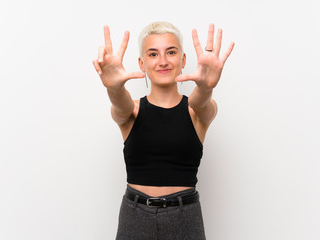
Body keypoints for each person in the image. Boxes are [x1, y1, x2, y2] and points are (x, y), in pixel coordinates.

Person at [92, 22, 234, 240]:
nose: (163, 61)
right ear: (142, 63)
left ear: (183, 59)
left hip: (185, 217)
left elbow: (200, 101)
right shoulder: (133, 112)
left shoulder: (197, 113)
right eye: (153, 54)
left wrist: (206, 86)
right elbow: (120, 106)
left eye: (171, 52)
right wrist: (114, 87)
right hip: (135, 215)